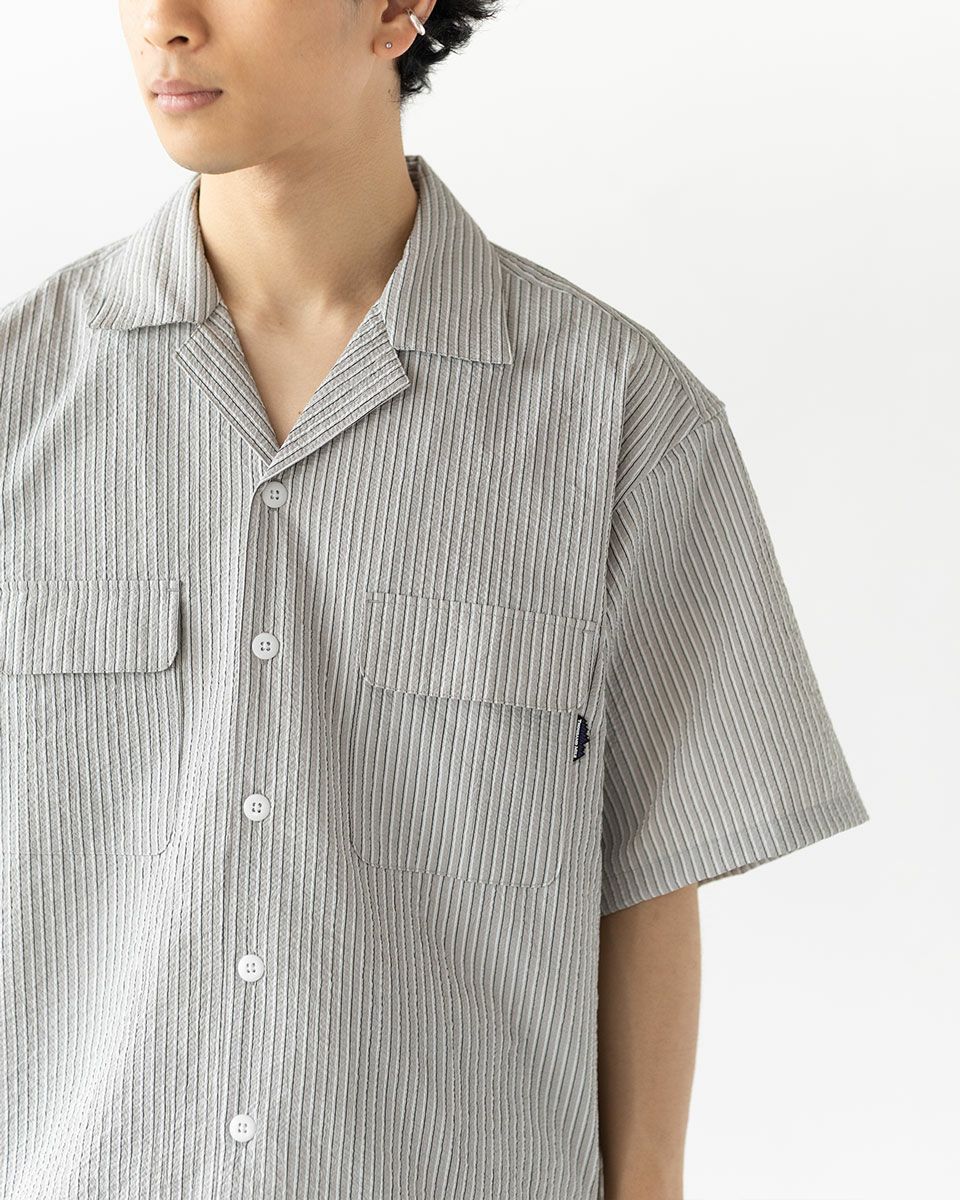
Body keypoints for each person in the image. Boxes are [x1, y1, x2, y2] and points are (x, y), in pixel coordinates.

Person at [0, 3, 870, 1198]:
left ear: (396, 8)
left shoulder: (621, 420)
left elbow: (647, 876)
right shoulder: (21, 401)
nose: (165, 23)